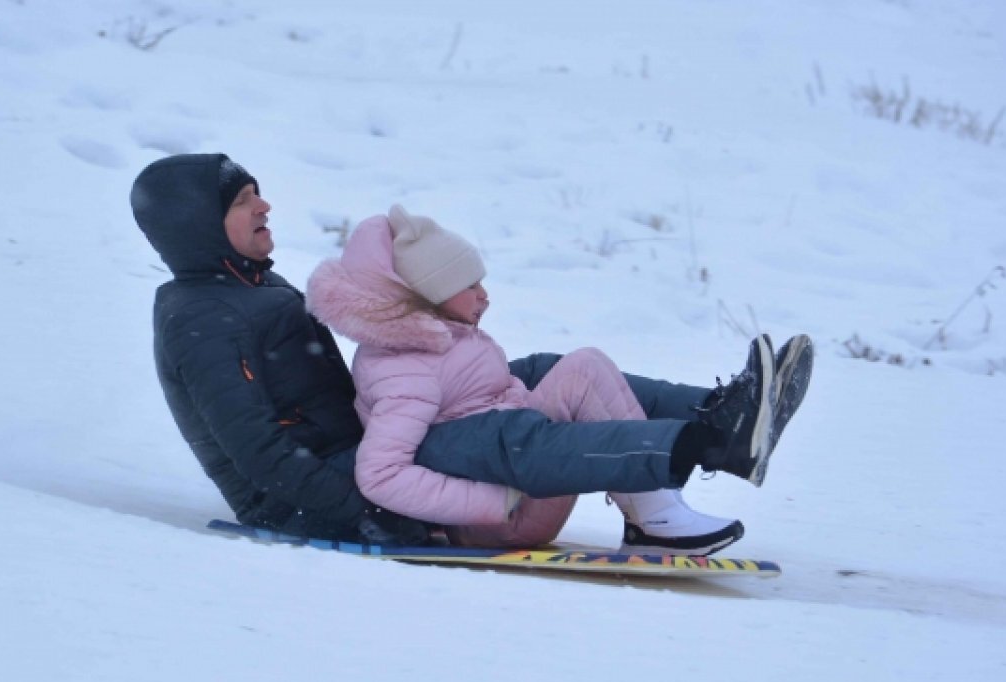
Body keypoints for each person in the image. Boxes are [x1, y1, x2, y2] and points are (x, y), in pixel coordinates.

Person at [129, 153, 812, 549]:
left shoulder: (249, 288)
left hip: (369, 453)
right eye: (246, 200)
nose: (266, 205)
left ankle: (729, 416)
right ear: (198, 224)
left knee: (539, 373)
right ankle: (694, 445)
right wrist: (374, 511)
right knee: (506, 428)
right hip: (333, 498)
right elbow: (260, 456)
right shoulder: (200, 319)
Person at [304, 205, 770, 554]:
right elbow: (381, 474)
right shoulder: (404, 368)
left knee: (583, 368)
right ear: (429, 295)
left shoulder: (438, 335)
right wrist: (492, 503)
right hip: (506, 515)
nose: (484, 296)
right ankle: (657, 515)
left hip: (512, 460)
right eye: (469, 286)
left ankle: (716, 423)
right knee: (581, 373)